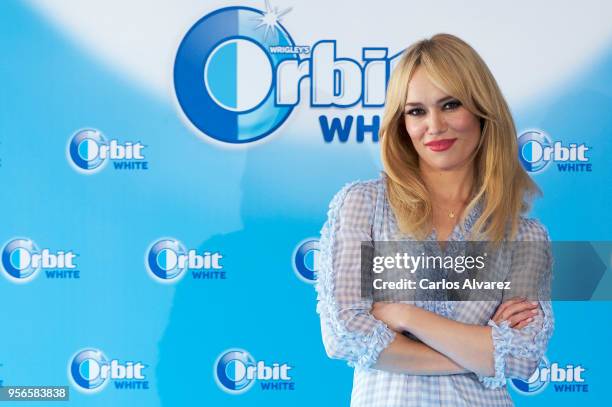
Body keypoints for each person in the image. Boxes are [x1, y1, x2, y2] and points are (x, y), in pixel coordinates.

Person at [315, 33, 553, 406]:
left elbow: (521, 357)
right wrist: (480, 355)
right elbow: (345, 334)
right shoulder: (364, 204)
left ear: (481, 110)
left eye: (451, 104)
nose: (435, 126)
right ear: (401, 123)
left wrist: (403, 314)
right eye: (416, 111)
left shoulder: (524, 236)